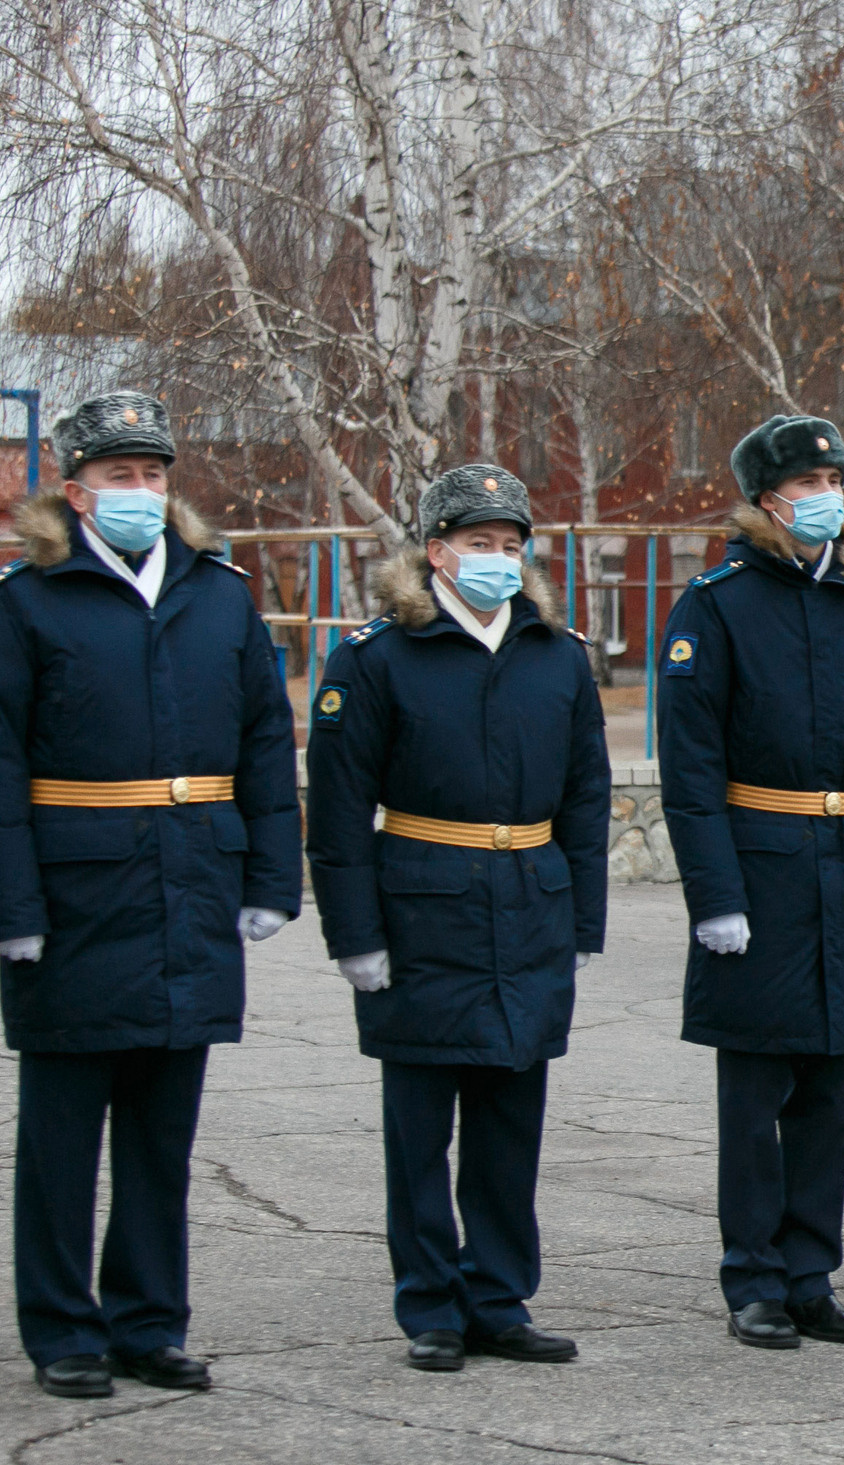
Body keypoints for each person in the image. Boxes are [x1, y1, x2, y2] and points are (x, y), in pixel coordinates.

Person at [2, 392, 299, 1400]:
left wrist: (271, 878)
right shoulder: (28, 602)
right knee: (60, 1139)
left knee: (162, 1136)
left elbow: (265, 740)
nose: (141, 490)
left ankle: (148, 1322)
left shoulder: (218, 594)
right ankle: (62, 1330)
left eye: (154, 474)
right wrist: (14, 907)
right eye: (120, 475)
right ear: (76, 491)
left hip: (191, 885)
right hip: (77, 899)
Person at [306, 464, 610, 1371]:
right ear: (436, 552)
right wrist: (355, 935)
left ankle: (499, 1297)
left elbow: (587, 796)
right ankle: (431, 1303)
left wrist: (583, 921)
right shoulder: (377, 657)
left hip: (529, 904)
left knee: (510, 1123)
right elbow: (337, 813)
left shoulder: (556, 655)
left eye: (511, 544)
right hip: (423, 910)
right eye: (480, 542)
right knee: (420, 1130)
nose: (498, 559)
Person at [655, 415, 844, 1352]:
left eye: (835, 479)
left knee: (828, 1093)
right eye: (809, 483)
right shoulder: (718, 604)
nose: (828, 496)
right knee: (756, 1095)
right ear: (767, 499)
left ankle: (811, 1275)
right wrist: (716, 897)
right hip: (761, 868)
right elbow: (691, 770)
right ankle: (754, 1279)